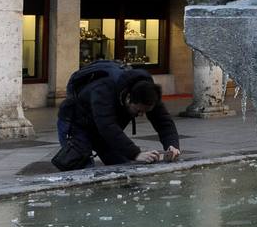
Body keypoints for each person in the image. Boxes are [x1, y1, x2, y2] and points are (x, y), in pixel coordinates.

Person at [53, 67, 181, 170]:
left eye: (145, 112)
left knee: (123, 167)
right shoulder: (104, 89)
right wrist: (136, 153)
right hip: (76, 122)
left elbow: (164, 122)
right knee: (84, 170)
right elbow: (107, 126)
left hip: (105, 129)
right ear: (128, 98)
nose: (141, 115)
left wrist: (172, 145)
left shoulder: (149, 94)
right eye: (138, 111)